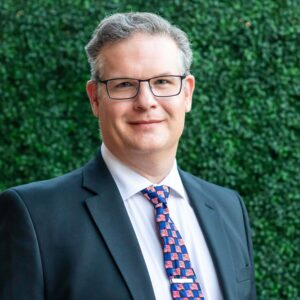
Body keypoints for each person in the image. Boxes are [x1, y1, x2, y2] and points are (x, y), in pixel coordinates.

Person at [0, 12, 256, 300]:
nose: (146, 102)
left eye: (162, 82)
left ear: (187, 93)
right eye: (124, 84)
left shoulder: (228, 207)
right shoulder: (35, 216)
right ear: (95, 98)